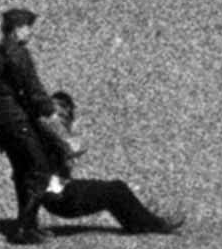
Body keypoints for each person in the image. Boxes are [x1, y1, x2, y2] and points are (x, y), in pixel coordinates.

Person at [0, 7, 79, 244]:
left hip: (0, 122)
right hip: (17, 121)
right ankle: (25, 228)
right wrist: (52, 115)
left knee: (21, 171)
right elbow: (33, 89)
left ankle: (27, 224)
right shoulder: (17, 54)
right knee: (39, 169)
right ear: (16, 29)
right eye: (27, 27)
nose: (30, 32)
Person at [40, 91, 184, 235]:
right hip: (60, 197)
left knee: (114, 192)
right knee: (116, 190)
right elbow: (75, 148)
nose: (61, 116)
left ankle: (137, 223)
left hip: (59, 192)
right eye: (58, 111)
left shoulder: (45, 135)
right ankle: (155, 225)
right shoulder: (48, 135)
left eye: (63, 110)